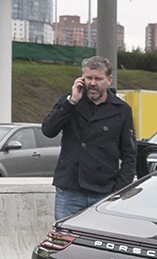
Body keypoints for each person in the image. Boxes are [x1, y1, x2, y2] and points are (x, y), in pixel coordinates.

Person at [41, 56, 137, 220]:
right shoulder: (70, 102)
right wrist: (72, 102)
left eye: (98, 79)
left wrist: (119, 190)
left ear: (109, 80)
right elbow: (48, 130)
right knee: (66, 234)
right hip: (71, 189)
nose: (92, 83)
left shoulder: (121, 110)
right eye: (88, 78)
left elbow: (129, 154)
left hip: (105, 191)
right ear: (81, 78)